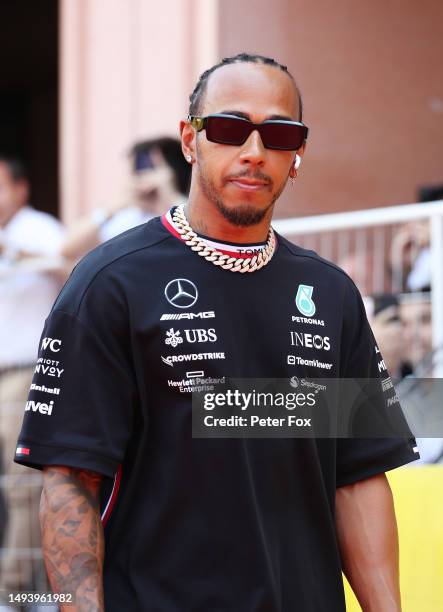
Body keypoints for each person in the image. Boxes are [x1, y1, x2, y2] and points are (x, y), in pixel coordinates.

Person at [14, 53, 418, 611]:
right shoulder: (109, 284)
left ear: (297, 153)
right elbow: (70, 482)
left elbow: (357, 476)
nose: (254, 153)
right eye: (229, 129)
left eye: (278, 135)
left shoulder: (331, 294)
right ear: (189, 140)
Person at [0, 154, 65, 594]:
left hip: (25, 372)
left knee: (22, 483)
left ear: (20, 188)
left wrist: (14, 251)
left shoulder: (37, 228)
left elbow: (69, 266)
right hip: (6, 374)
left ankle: (15, 589)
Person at [61, 137, 191, 263]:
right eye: (138, 168)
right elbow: (67, 249)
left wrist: (170, 193)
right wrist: (113, 208)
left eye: (150, 167)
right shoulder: (128, 215)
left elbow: (195, 238)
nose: (142, 176)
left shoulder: (187, 210)